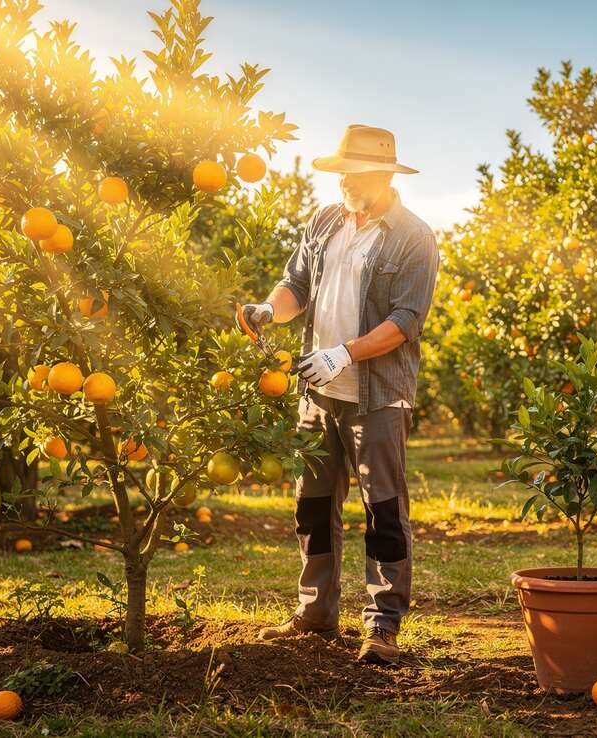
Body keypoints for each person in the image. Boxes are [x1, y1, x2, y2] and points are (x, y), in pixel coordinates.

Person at [236, 125, 438, 665]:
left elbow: (405, 321)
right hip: (317, 394)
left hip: (377, 395)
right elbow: (295, 285)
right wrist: (267, 309)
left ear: (381, 175)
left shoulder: (413, 237)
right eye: (340, 171)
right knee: (313, 504)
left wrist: (344, 354)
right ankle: (315, 611)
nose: (343, 179)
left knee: (383, 510)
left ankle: (383, 623)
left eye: (351, 171)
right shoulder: (325, 221)